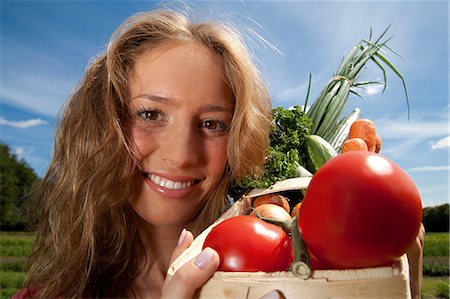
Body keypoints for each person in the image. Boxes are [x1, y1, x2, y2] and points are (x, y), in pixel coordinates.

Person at [18, 8, 423, 299]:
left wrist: (401, 287)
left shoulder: (293, 279)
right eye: (150, 114)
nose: (181, 155)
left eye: (213, 123)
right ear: (103, 126)